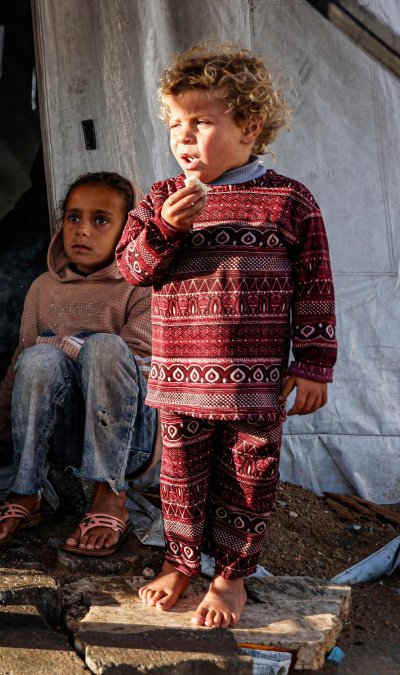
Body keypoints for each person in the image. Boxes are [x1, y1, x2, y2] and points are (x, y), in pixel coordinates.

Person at [118, 44, 337, 628]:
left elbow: (316, 284)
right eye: (175, 124)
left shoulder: (289, 201)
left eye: (201, 122)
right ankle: (181, 560)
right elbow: (133, 269)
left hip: (255, 381)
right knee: (180, 476)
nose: (184, 137)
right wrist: (166, 229)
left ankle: (231, 575)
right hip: (179, 377)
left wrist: (315, 362)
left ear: (250, 126)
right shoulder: (161, 200)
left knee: (250, 477)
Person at [0, 171, 160, 557]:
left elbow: (145, 371)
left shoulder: (142, 285)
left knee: (102, 348)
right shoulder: (43, 289)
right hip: (69, 446)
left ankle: (108, 495)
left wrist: (74, 346)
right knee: (37, 356)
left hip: (130, 445)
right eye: (73, 217)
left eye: (101, 220)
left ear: (129, 230)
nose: (82, 230)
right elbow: (19, 373)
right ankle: (26, 490)